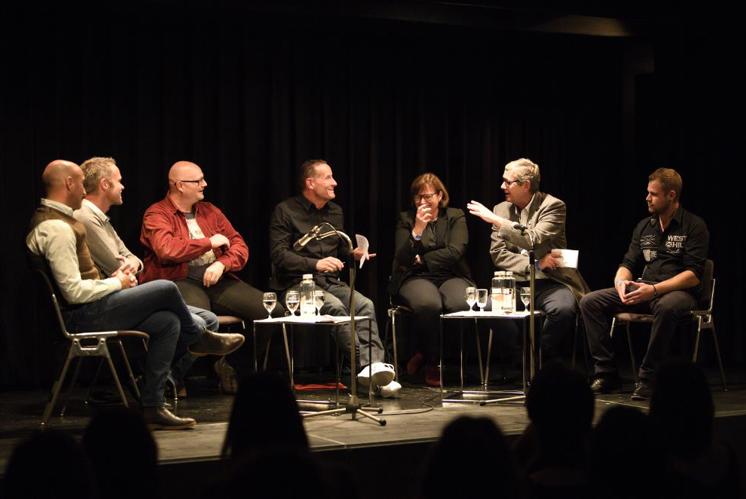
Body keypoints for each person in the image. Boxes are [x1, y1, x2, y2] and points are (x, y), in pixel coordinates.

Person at [27, 160, 243, 429]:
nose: (85, 190)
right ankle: (199, 338)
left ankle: (152, 405)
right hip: (83, 315)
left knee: (168, 321)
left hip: (96, 305)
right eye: (82, 183)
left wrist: (120, 277)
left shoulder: (67, 221)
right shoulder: (57, 228)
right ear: (69, 184)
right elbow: (73, 293)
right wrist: (116, 283)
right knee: (166, 288)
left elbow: (125, 257)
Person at [74, 156, 219, 398]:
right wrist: (128, 268)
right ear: (104, 185)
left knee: (207, 319)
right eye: (119, 181)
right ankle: (197, 335)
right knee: (166, 289)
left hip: (120, 292)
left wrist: (131, 265)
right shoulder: (86, 217)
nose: (123, 186)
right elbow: (115, 263)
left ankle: (153, 387)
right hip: (105, 300)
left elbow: (132, 259)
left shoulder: (102, 219)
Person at [140, 160, 283, 389]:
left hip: (217, 280)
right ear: (179, 185)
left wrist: (222, 264)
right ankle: (175, 376)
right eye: (197, 181)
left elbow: (239, 245)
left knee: (272, 312)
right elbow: (167, 249)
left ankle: (232, 364)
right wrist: (209, 242)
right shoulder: (157, 213)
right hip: (178, 279)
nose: (204, 184)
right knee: (201, 322)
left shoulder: (209, 211)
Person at [269, 159, 400, 398]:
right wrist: (314, 263)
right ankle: (365, 369)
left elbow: (338, 251)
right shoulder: (285, 211)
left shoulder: (335, 212)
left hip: (329, 282)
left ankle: (378, 370)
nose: (334, 182)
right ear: (310, 182)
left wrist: (353, 253)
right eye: (327, 177)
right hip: (296, 285)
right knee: (337, 308)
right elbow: (279, 255)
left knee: (365, 305)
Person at [580, 168, 709, 400]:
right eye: (647, 193)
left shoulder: (693, 226)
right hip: (645, 289)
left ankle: (649, 377)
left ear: (671, 195)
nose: (647, 198)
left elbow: (693, 275)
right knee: (590, 301)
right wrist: (621, 281)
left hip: (678, 292)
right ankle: (607, 374)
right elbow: (628, 261)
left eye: (653, 194)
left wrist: (655, 290)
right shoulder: (644, 226)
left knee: (667, 306)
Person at [468, 158, 589, 362]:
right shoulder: (501, 209)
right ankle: (523, 358)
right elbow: (498, 253)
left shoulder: (553, 206)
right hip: (516, 284)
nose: (502, 186)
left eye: (508, 182)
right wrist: (534, 264)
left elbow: (533, 238)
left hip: (552, 282)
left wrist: (495, 221)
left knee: (563, 310)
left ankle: (545, 359)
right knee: (488, 307)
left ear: (525, 185)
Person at [390, 172, 473, 386]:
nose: (423, 201)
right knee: (429, 303)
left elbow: (456, 250)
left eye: (428, 196)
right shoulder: (406, 219)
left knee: (461, 303)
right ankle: (432, 361)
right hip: (414, 277)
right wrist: (417, 229)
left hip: (450, 275)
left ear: (439, 196)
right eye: (419, 197)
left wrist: (424, 259)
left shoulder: (455, 216)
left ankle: (431, 354)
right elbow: (402, 257)